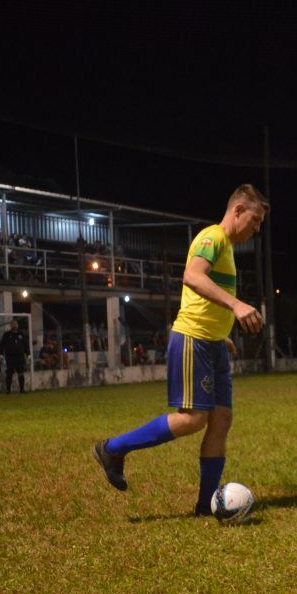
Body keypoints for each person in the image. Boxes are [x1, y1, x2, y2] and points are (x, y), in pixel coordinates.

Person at [93, 185, 267, 518]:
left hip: (213, 343)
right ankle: (112, 449)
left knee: (221, 420)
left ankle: (206, 507)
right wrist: (236, 305)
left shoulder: (227, 248)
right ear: (239, 210)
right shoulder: (212, 236)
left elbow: (207, 295)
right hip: (192, 339)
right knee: (193, 419)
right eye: (255, 220)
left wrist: (223, 333)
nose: (256, 229)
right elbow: (192, 276)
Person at [0, 320, 30, 393]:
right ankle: (8, 390)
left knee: (21, 373)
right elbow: (2, 345)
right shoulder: (6, 334)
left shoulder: (21, 334)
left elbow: (26, 345)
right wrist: (1, 354)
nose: (14, 326)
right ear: (10, 326)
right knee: (9, 374)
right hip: (10, 357)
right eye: (13, 324)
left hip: (20, 357)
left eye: (16, 324)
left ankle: (22, 390)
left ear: (18, 325)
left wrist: (28, 354)